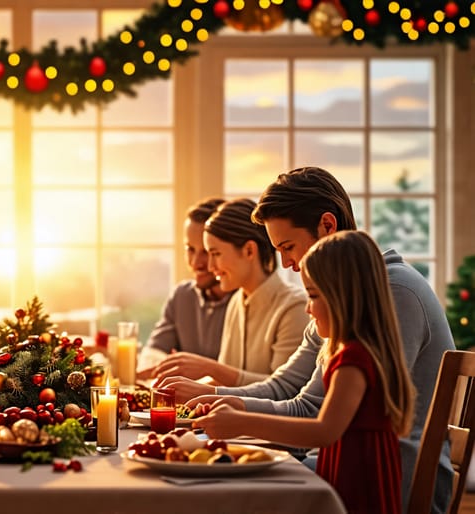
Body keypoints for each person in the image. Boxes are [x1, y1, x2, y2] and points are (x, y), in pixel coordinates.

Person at [160, 166, 453, 514]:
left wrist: (237, 415)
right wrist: (214, 397)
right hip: (334, 460)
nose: (287, 264)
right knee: (208, 472)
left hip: (389, 479)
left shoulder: (390, 292)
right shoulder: (337, 297)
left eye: (288, 246)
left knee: (217, 484)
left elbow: (320, 416)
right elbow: (287, 388)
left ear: (327, 226)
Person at [195, 230, 416, 514]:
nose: (308, 310)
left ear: (343, 297)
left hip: (357, 489)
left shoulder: (353, 360)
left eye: (313, 296)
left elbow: (324, 431)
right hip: (351, 478)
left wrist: (243, 423)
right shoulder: (357, 352)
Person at [153, 198, 308, 386]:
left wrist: (209, 367)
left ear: (249, 251)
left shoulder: (294, 308)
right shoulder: (236, 302)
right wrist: (175, 389)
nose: (210, 266)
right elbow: (223, 383)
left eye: (216, 254)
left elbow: (284, 390)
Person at [135, 198, 235, 381]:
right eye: (190, 249)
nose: (196, 263)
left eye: (207, 251)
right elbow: (153, 355)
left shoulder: (245, 302)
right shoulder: (182, 296)